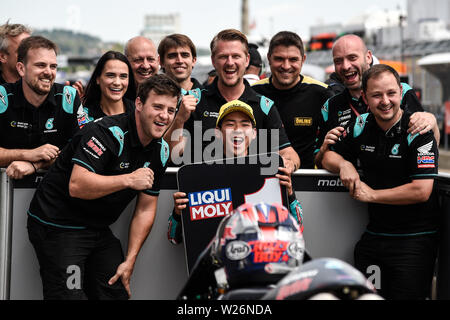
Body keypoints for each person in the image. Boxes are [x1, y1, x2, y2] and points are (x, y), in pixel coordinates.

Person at [26, 74, 180, 300]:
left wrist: (130, 260)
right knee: (70, 295)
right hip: (57, 224)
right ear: (138, 104)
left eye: (170, 110)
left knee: (115, 293)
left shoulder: (161, 151)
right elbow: (77, 185)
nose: (164, 116)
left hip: (97, 229)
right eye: (157, 107)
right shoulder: (106, 132)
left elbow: (146, 209)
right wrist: (128, 179)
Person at [322, 64, 439, 300]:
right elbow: (327, 155)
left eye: (391, 94)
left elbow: (422, 190)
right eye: (377, 95)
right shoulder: (360, 125)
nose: (385, 101)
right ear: (365, 98)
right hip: (374, 239)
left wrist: (371, 195)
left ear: (401, 93)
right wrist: (344, 165)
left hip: (413, 241)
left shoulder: (419, 128)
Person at [168, 100, 303, 245]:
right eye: (230, 124)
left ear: (254, 133)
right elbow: (173, 238)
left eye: (245, 124)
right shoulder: (200, 175)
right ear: (217, 133)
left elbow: (298, 230)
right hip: (218, 263)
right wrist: (178, 213)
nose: (238, 130)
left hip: (262, 261)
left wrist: (289, 194)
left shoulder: (271, 173)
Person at [164, 29, 300, 173]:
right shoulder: (193, 101)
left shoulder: (263, 106)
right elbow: (170, 155)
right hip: (205, 192)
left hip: (247, 191)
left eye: (236, 56)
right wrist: (179, 120)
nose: (230, 63)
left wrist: (290, 164)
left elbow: (288, 153)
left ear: (246, 60)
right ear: (213, 60)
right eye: (223, 57)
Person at [315, 34, 440, 168]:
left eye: (352, 57)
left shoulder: (402, 92)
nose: (345, 66)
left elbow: (427, 144)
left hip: (399, 185)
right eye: (338, 61)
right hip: (348, 185)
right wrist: (325, 151)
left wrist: (433, 122)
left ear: (368, 57)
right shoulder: (330, 106)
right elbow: (317, 159)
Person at [0, 36, 81, 180]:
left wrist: (35, 165)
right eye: (41, 65)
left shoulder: (69, 96)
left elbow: (82, 151)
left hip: (55, 194)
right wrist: (27, 154)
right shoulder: (2, 97)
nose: (49, 72)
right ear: (21, 68)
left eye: (53, 66)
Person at [252, 31, 332, 169]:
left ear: (303, 59)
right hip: (264, 181)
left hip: (308, 181)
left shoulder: (322, 93)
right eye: (279, 59)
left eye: (293, 59)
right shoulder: (253, 93)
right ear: (269, 58)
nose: (286, 66)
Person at [78, 51, 136, 128]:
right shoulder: (84, 117)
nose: (117, 83)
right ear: (98, 78)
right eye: (111, 75)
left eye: (123, 76)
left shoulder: (139, 112)